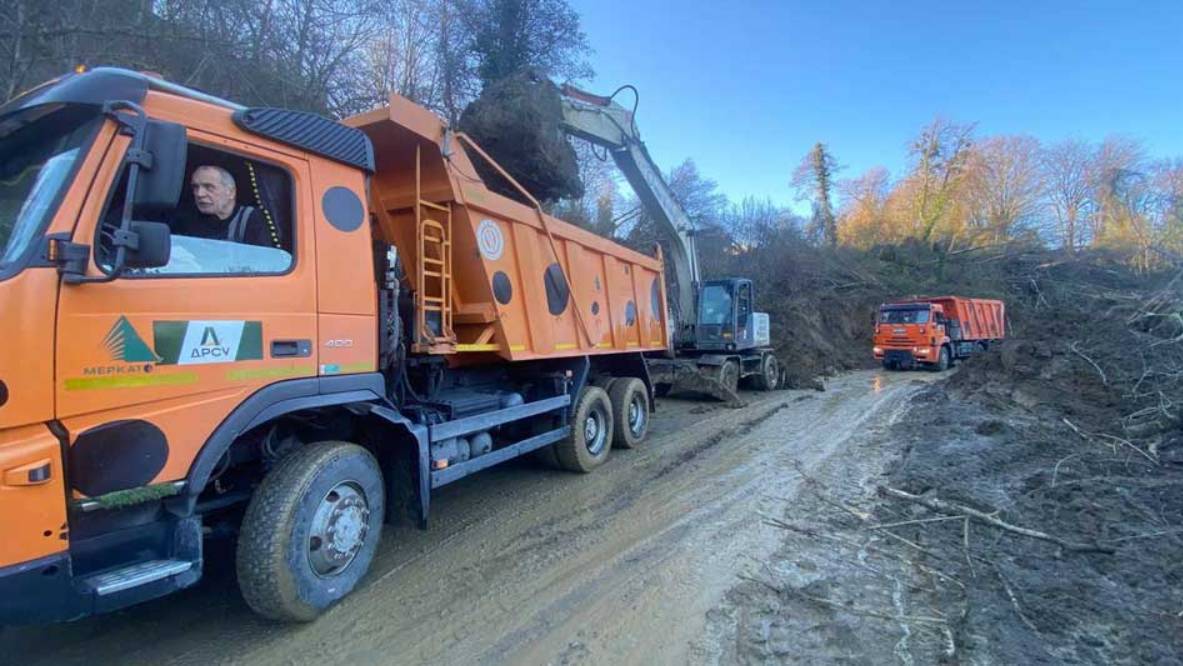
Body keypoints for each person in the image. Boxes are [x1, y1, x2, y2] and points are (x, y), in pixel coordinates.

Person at [171, 165, 281, 249]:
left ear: (231, 192)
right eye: (195, 187)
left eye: (209, 187)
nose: (199, 194)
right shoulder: (186, 220)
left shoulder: (251, 219)